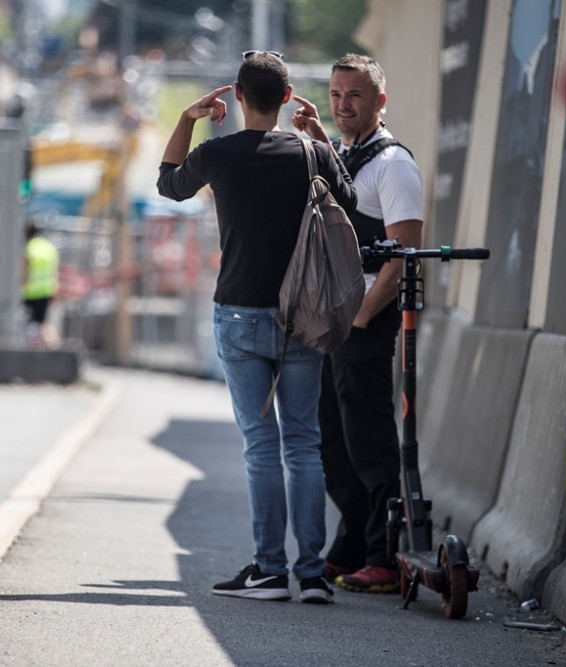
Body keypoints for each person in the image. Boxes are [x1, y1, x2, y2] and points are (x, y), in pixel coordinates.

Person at [157, 51, 356, 604]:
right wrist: (319, 134)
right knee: (305, 445)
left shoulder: (219, 154)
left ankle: (270, 570)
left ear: (238, 97)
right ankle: (312, 574)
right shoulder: (312, 153)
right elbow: (353, 200)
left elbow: (169, 185)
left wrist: (187, 119)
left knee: (260, 446)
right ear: (289, 97)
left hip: (241, 314)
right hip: (305, 313)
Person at [291, 53, 424, 593]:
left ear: (380, 102)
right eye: (337, 94)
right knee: (331, 440)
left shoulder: (394, 165)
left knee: (368, 440)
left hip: (365, 320)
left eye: (356, 96)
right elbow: (344, 182)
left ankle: (384, 556)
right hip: (335, 318)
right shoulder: (351, 151)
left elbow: (406, 250)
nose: (344, 105)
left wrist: (365, 318)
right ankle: (349, 548)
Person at [21, 221, 60, 347]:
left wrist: (20, 284)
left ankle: (31, 345)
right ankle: (50, 345)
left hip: (30, 292)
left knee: (27, 323)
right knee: (42, 322)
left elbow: (26, 268)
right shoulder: (49, 247)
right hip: (47, 290)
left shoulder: (30, 247)